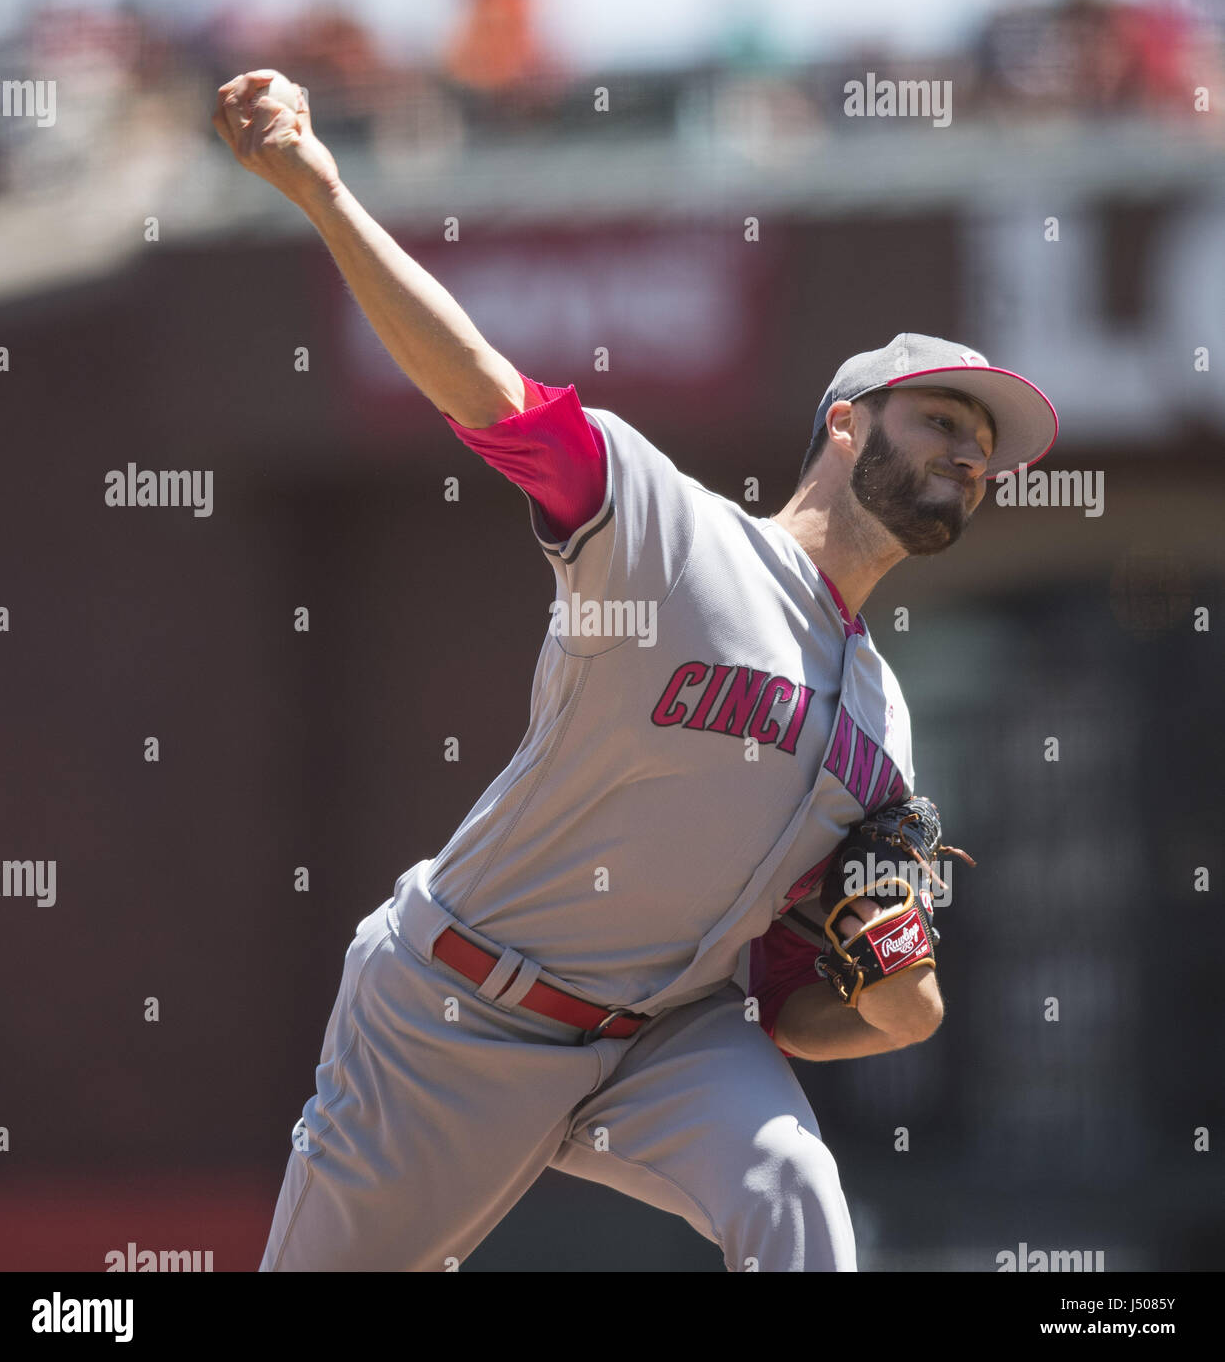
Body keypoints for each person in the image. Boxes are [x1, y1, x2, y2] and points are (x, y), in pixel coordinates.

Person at [212, 71, 1057, 1272]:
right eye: (943, 425)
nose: (970, 459)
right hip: (456, 1008)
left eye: (985, 453)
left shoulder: (885, 715)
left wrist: (886, 1004)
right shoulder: (672, 531)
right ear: (847, 423)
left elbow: (783, 997)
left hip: (669, 1038)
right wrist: (324, 192)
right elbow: (486, 397)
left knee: (793, 1188)